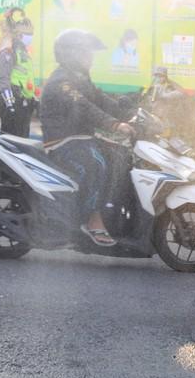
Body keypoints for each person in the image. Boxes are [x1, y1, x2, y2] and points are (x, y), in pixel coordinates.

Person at [39, 29, 135, 247]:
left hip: (83, 138)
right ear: (70, 54)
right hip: (64, 142)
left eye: (89, 53)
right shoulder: (62, 82)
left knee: (120, 158)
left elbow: (99, 99)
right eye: (84, 52)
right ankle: (91, 220)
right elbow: (84, 107)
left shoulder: (81, 77)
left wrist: (131, 111)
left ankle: (115, 213)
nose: (89, 57)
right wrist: (114, 124)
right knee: (97, 164)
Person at [0, 8, 36, 140]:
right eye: (27, 35)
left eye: (31, 35)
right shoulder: (8, 52)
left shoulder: (25, 54)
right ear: (18, 35)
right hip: (13, 102)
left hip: (24, 105)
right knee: (11, 141)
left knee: (23, 140)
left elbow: (27, 78)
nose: (30, 38)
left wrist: (34, 99)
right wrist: (10, 104)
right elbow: (4, 80)